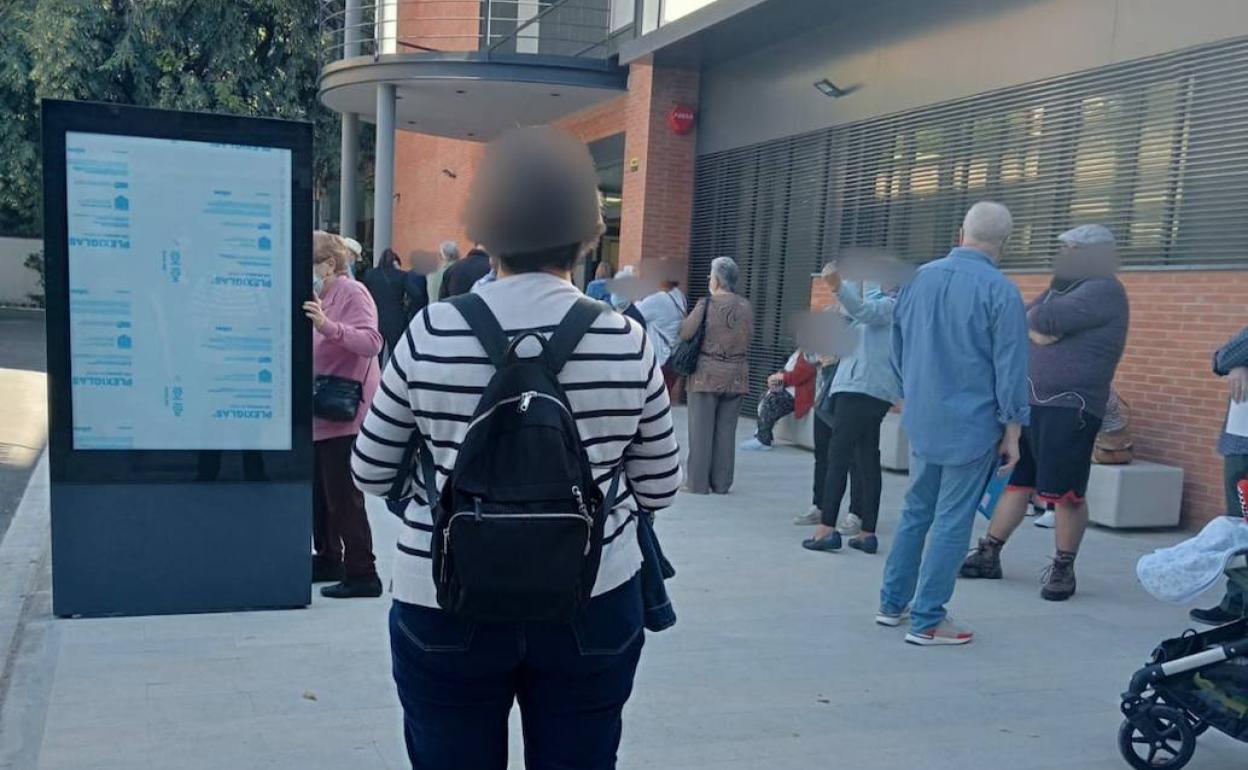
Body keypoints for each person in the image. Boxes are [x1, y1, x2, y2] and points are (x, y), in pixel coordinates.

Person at [350, 126, 680, 769]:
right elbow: (661, 486)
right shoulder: (625, 338)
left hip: (444, 596)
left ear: (486, 229)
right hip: (592, 593)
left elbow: (369, 467)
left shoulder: (431, 331)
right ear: (587, 234)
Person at [878, 201, 1029, 646]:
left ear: (962, 231)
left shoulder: (919, 278)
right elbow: (1011, 368)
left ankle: (892, 604)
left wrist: (913, 393)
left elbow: (897, 346)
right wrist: (1013, 429)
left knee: (916, 510)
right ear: (1006, 241)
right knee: (953, 518)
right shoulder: (1001, 291)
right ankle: (927, 618)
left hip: (924, 417)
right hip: (973, 423)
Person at [960, 224, 1129, 601]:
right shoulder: (1063, 287)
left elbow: (1042, 321)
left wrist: (1038, 325)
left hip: (1071, 407)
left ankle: (1063, 568)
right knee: (1017, 482)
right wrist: (1036, 325)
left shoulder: (1103, 288)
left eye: (1070, 249)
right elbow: (1020, 317)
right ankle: (989, 553)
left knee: (1065, 493)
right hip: (1032, 403)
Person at [306, 231, 384, 599]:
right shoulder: (319, 294)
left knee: (343, 496)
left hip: (344, 408)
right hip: (319, 409)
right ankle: (328, 557)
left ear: (329, 263)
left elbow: (371, 341)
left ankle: (362, 572)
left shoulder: (352, 292)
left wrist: (327, 327)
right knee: (321, 496)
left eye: (312, 262)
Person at [802, 269, 900, 555]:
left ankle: (826, 528)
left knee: (839, 456)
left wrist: (839, 286)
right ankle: (866, 532)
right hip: (870, 389)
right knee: (867, 457)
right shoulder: (881, 311)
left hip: (860, 388)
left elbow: (865, 307)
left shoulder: (888, 306)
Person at [1189, 324, 1248, 625]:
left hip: (1244, 441)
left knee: (1241, 526)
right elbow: (1221, 358)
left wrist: (1235, 362)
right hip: (1241, 436)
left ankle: (1240, 608)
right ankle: (1236, 601)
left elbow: (1226, 356)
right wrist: (1237, 363)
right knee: (1238, 526)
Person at [680, 256, 753, 495]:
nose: (709, 279)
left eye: (711, 275)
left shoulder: (706, 304)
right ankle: (722, 483)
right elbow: (748, 336)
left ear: (718, 279)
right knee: (725, 431)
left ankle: (698, 484)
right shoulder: (745, 306)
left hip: (706, 375)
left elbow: (686, 332)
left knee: (701, 431)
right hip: (736, 376)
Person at [740, 350, 816, 451]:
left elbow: (799, 375)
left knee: (772, 400)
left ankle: (763, 440)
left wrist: (779, 379)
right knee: (765, 396)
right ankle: (763, 434)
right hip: (788, 388)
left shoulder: (810, 353)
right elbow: (788, 371)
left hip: (796, 394)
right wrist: (776, 378)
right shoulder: (800, 351)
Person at [362, 247, 428, 363]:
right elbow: (416, 295)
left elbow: (363, 295)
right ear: (394, 262)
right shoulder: (401, 275)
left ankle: (375, 378)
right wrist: (407, 309)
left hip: (375, 317)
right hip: (396, 317)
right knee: (395, 352)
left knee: (376, 354)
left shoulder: (370, 274)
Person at [636, 278, 688, 400]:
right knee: (664, 400)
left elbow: (634, 313)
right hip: (673, 358)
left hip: (659, 359)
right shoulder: (680, 297)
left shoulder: (658, 300)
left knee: (651, 403)